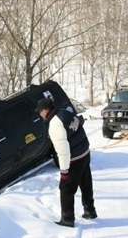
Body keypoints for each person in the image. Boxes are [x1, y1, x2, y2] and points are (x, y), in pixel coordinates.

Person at [35, 98, 96, 228]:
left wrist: (64, 171)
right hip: (84, 153)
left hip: (74, 159)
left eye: (40, 111)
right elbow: (79, 123)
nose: (39, 114)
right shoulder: (65, 113)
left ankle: (67, 219)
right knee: (86, 183)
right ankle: (90, 210)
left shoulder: (55, 124)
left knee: (66, 189)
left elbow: (62, 151)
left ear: (45, 111)